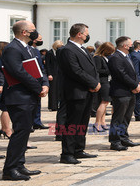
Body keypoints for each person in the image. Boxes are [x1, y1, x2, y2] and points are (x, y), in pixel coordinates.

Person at [1, 20, 49, 180]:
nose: (35, 32)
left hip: (30, 96)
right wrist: (37, 88)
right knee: (20, 132)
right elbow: (18, 72)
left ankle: (19, 164)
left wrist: (44, 84)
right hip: (19, 97)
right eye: (33, 30)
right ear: (24, 32)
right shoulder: (12, 49)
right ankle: (10, 168)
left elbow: (39, 69)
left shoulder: (29, 49)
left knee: (25, 132)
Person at [57, 23, 100, 165]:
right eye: (86, 33)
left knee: (82, 122)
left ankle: (78, 149)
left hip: (87, 91)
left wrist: (95, 83)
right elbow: (75, 71)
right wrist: (92, 83)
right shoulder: (67, 50)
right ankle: (67, 153)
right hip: (76, 92)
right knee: (72, 124)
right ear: (79, 34)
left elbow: (92, 69)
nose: (88, 35)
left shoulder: (82, 49)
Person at [108, 36, 140, 151]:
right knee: (118, 118)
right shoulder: (115, 57)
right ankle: (115, 141)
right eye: (130, 44)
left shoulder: (127, 56)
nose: (132, 46)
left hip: (129, 92)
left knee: (126, 117)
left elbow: (132, 73)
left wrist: (136, 84)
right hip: (121, 92)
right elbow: (121, 75)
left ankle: (123, 138)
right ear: (125, 46)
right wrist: (134, 85)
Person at [92, 42, 115, 131]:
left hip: (107, 81)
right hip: (103, 82)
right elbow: (97, 70)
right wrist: (109, 70)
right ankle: (97, 123)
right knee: (104, 102)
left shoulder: (105, 58)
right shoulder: (98, 58)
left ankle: (103, 122)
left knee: (105, 103)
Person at [29, 34, 49, 130]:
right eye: (39, 39)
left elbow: (41, 68)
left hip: (38, 80)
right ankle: (29, 123)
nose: (41, 40)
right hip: (30, 80)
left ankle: (37, 122)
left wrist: (44, 83)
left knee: (37, 103)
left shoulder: (36, 51)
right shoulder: (28, 49)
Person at [0, 41, 9, 159]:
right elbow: (1, 75)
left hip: (2, 87)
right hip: (3, 87)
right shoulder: (1, 61)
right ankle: (6, 130)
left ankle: (5, 129)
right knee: (5, 109)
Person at [45, 40, 64, 111]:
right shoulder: (49, 52)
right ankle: (53, 106)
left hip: (59, 73)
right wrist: (49, 74)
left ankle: (59, 104)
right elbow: (47, 64)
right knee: (53, 90)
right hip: (52, 73)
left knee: (59, 89)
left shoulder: (60, 52)